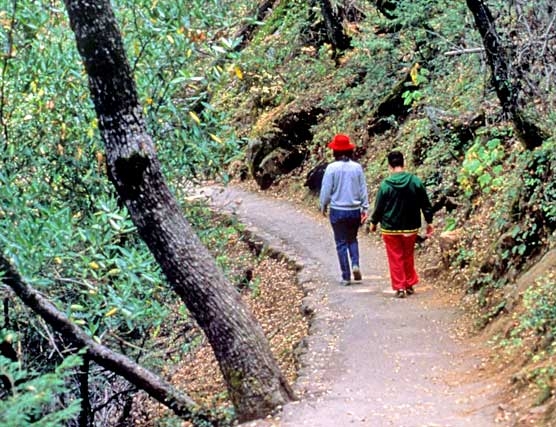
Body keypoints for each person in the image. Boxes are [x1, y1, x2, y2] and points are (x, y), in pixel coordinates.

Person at [369, 150, 434, 298]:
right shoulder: (415, 181)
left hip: (390, 228)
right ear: (404, 164)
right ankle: (409, 283)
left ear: (390, 167)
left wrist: (373, 222)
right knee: (408, 255)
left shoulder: (385, 185)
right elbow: (426, 204)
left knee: (395, 257)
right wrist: (429, 221)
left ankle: (399, 287)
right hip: (410, 227)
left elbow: (379, 207)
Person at [320, 134, 369, 286]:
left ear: (334, 151)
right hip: (354, 210)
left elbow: (326, 190)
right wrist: (365, 207)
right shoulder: (357, 168)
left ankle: (346, 276)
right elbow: (363, 189)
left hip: (337, 210)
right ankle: (355, 264)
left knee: (341, 242)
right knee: (352, 239)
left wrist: (323, 205)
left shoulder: (331, 168)